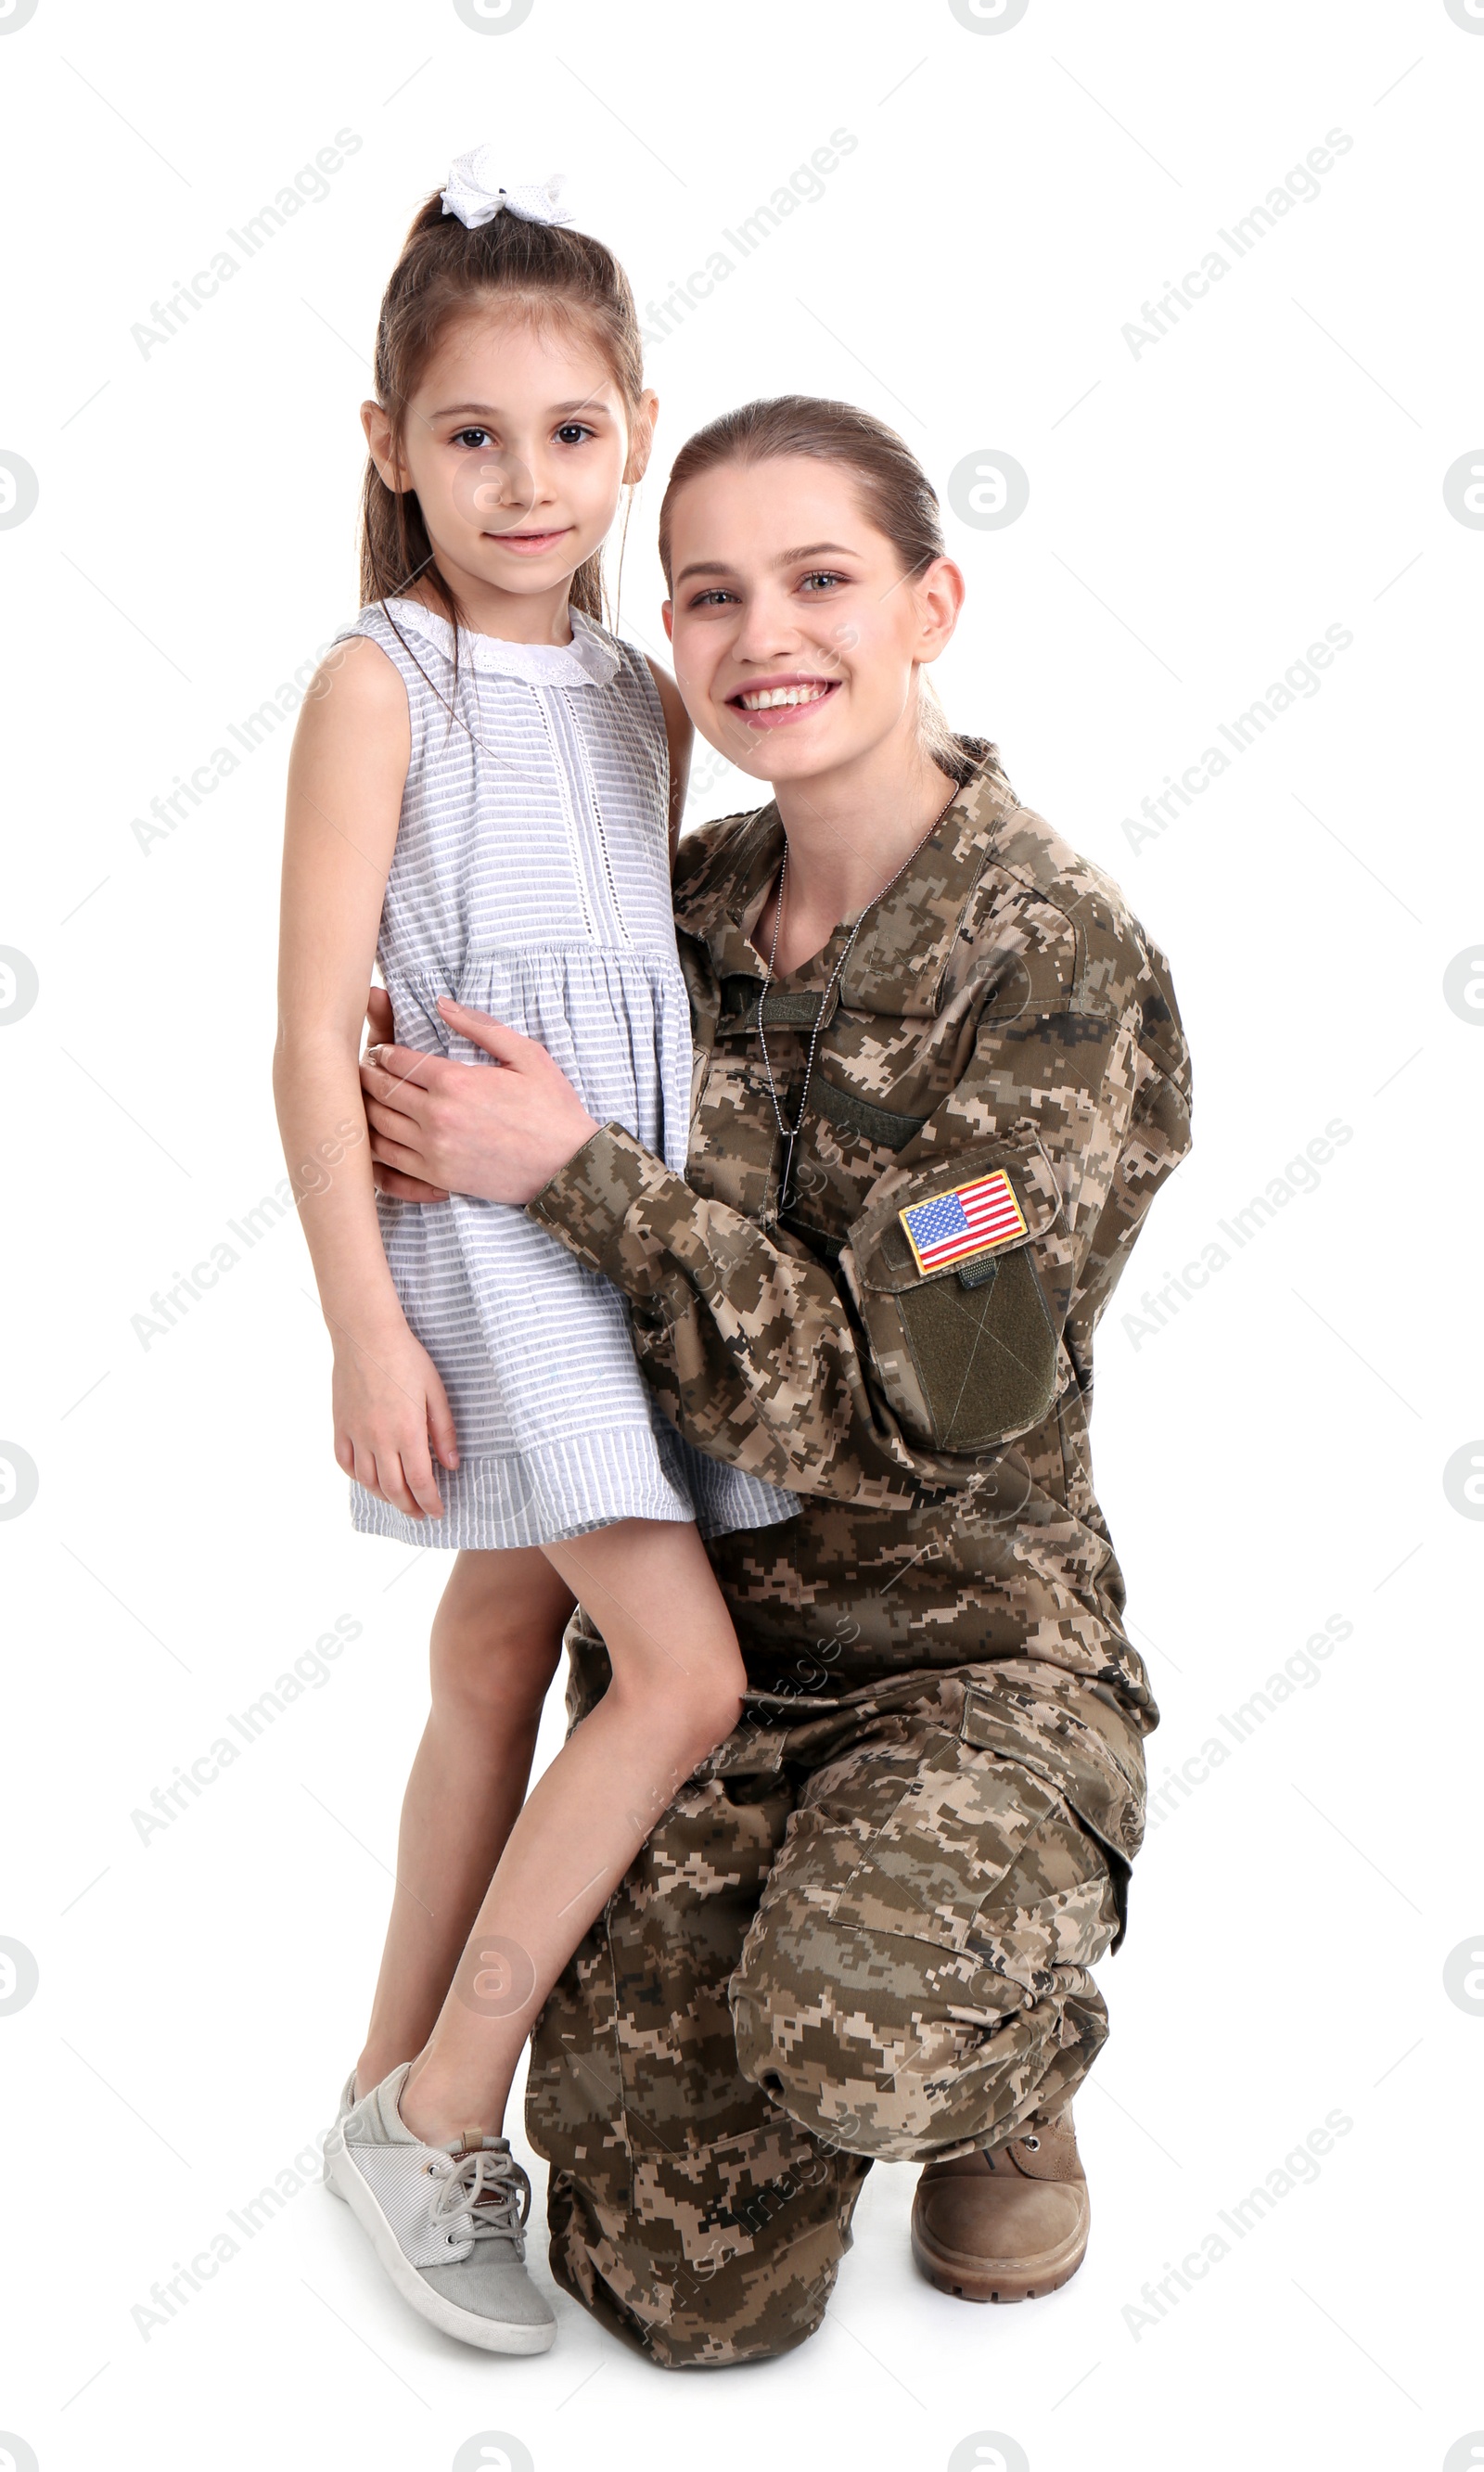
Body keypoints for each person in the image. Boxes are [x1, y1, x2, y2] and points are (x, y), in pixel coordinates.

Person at [358, 392, 1195, 2367]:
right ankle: (814, 1988)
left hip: (958, 1664)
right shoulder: (684, 913)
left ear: (930, 602)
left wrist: (573, 1174)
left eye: (818, 579)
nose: (760, 638)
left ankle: (999, 2059)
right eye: (707, 595)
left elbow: (914, 1411)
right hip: (699, 1680)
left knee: (867, 2023)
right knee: (671, 2304)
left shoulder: (1054, 971)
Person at [274, 155, 796, 2356]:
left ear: (636, 432)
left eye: (571, 436)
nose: (525, 482)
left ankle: (372, 2090)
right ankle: (447, 2113)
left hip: (611, 1230)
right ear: (389, 445)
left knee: (502, 1662)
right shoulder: (376, 683)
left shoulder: (627, 697)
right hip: (480, 1266)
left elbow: (630, 1001)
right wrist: (361, 1328)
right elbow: (312, 1030)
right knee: (682, 1677)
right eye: (471, 434)